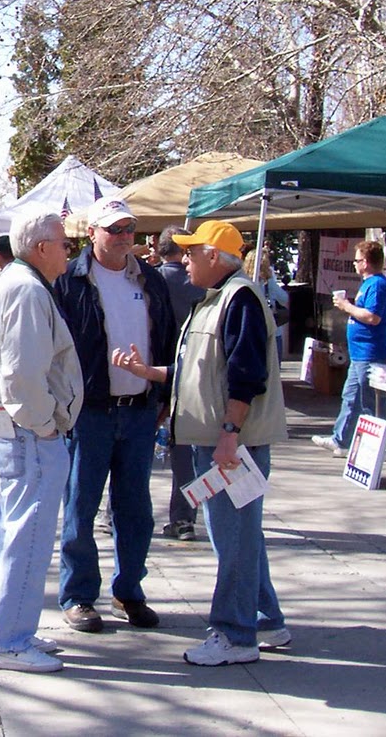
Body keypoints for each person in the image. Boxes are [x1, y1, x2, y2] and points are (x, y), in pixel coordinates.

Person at [118, 219, 289, 665]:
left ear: (214, 256)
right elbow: (201, 372)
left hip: (230, 444)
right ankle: (266, 619)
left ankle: (235, 635)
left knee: (233, 538)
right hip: (221, 441)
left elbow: (246, 375)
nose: (184, 259)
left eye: (192, 253)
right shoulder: (220, 299)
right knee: (241, 535)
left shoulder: (239, 299)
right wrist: (150, 373)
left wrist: (230, 435)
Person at [0, 212, 83, 674]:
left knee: (18, 533)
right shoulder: (27, 290)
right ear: (41, 248)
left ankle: (13, 630)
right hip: (26, 432)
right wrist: (45, 425)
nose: (69, 250)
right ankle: (11, 642)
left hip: (15, 429)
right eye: (63, 243)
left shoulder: (20, 285)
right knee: (28, 535)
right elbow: (21, 377)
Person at [53, 197, 176, 636]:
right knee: (81, 507)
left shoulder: (152, 281)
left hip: (141, 412)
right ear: (92, 233)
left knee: (136, 509)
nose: (124, 237)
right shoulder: (68, 282)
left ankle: (130, 591)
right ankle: (79, 595)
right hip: (90, 414)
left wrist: (165, 396)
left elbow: (167, 339)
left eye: (130, 229)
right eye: (115, 229)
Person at [314, 240, 386, 457]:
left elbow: (372, 317)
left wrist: (347, 307)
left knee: (369, 401)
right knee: (351, 397)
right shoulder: (369, 284)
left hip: (371, 352)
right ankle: (340, 440)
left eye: (357, 260)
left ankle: (383, 445)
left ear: (366, 263)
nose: (354, 264)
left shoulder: (377, 285)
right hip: (360, 352)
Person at [157, 226, 206, 542]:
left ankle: (113, 514)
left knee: (129, 454)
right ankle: (184, 518)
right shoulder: (200, 283)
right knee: (185, 453)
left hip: (149, 372)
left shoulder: (150, 280)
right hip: (190, 375)